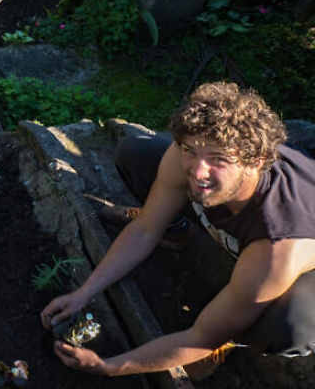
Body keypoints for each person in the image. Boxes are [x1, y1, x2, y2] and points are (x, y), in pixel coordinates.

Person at [40, 81, 315, 378]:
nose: (198, 171)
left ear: (255, 162)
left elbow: (200, 337)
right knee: (136, 154)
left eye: (218, 159)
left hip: (295, 263)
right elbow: (145, 230)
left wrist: (108, 366)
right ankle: (176, 229)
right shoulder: (191, 156)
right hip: (247, 227)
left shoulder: (278, 246)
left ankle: (233, 338)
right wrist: (83, 293)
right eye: (190, 150)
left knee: (287, 326)